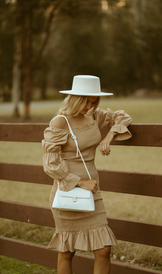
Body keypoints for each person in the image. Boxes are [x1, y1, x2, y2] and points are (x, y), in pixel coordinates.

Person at [42, 75, 132, 274]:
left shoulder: (94, 116)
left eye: (93, 102)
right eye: (85, 101)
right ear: (74, 98)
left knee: (104, 249)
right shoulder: (60, 122)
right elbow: (50, 164)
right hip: (68, 190)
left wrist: (109, 135)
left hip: (93, 190)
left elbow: (122, 116)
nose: (89, 106)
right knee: (67, 251)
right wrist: (80, 183)